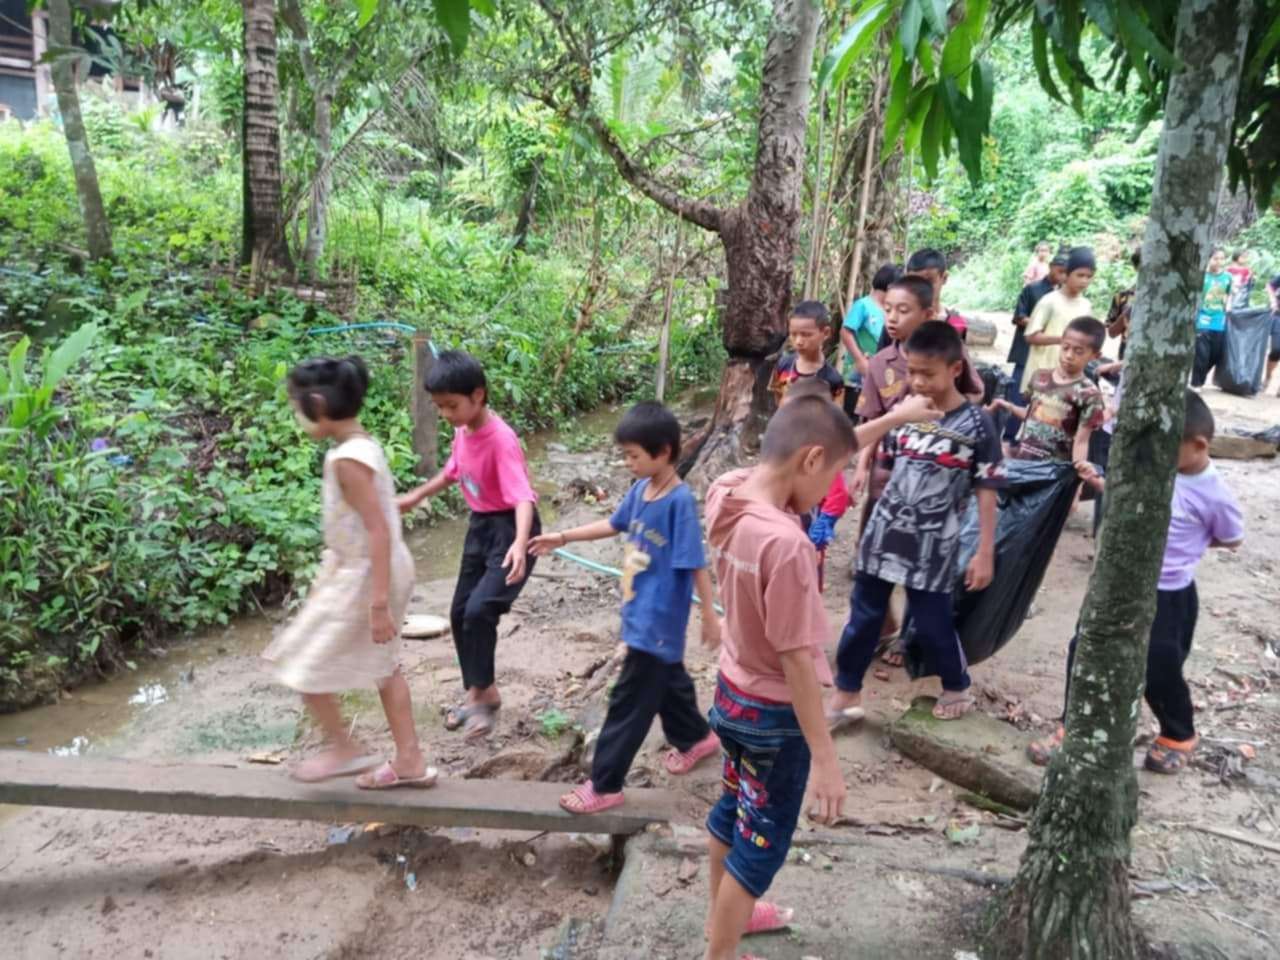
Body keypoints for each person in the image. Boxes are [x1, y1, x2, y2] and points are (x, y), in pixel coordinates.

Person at [700, 389, 940, 960]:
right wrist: (827, 763)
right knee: (758, 847)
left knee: (731, 812)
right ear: (810, 462)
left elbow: (814, 445)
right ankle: (720, 952)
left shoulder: (725, 493)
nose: (833, 492)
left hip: (731, 696)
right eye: (830, 476)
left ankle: (724, 925)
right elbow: (797, 664)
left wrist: (893, 419)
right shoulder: (787, 547)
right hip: (774, 721)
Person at [1029, 390, 1244, 773]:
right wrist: (1099, 481)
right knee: (1084, 648)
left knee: (1160, 665)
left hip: (1170, 594)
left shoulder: (1214, 494)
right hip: (1115, 582)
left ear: (1197, 445)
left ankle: (1178, 732)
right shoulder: (1152, 469)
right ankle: (1073, 725)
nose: (1158, 454)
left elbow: (1231, 537)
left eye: (1167, 447)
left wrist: (1191, 543)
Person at [527, 402, 722, 814]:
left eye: (634, 455)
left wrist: (709, 615)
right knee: (668, 683)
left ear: (664, 452)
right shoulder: (641, 490)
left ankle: (605, 783)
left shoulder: (678, 503)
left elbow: (695, 563)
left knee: (628, 704)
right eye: (625, 454)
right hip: (640, 615)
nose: (627, 463)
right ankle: (696, 738)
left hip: (658, 623)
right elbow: (614, 524)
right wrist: (562, 537)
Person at [263, 357, 434, 790]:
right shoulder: (361, 445)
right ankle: (408, 758)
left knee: (303, 661)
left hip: (367, 573)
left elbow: (376, 529)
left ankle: (345, 748)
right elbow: (375, 518)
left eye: (296, 405)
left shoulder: (347, 460)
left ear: (317, 404)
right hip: (365, 568)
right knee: (383, 665)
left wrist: (378, 603)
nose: (296, 414)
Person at [830, 322, 1005, 727]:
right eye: (912, 371)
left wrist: (984, 551)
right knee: (863, 619)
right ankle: (845, 694)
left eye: (928, 373)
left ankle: (956, 683)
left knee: (931, 620)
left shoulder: (978, 425)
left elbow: (987, 488)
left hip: (934, 544)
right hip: (885, 534)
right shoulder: (904, 412)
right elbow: (885, 467)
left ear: (955, 369)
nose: (918, 381)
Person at [398, 350, 540, 740]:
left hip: (512, 527)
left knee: (480, 611)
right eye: (439, 407)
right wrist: (415, 496)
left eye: (451, 406)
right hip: (481, 526)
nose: (446, 415)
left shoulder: (501, 440)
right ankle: (482, 692)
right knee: (460, 611)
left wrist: (520, 544)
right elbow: (453, 471)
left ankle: (480, 698)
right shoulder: (464, 430)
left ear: (478, 395)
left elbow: (523, 497)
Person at [851, 273, 985, 667]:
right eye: (887, 309)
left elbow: (973, 396)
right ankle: (884, 631)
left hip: (939, 482)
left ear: (927, 313)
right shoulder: (880, 363)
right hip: (886, 481)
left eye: (903, 310)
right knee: (872, 562)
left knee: (924, 574)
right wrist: (861, 467)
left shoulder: (947, 353)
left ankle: (912, 639)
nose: (892, 317)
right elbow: (872, 418)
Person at [991, 316, 1107, 465]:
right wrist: (1010, 407)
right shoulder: (1040, 377)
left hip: (1053, 471)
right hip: (1023, 461)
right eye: (1065, 347)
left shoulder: (1089, 394)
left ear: (1095, 356)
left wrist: (1080, 475)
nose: (1069, 355)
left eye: (1078, 351)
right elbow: (1033, 415)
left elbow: (1082, 441)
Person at [782, 378, 852, 591]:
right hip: (787, 523)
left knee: (809, 580)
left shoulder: (824, 447)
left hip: (811, 521)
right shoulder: (788, 443)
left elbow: (838, 492)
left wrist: (825, 521)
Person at [1006, 253, 1068, 446]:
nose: (1062, 277)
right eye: (1060, 271)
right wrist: (1039, 327)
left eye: (1066, 273)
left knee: (1045, 402)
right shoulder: (1032, 290)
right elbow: (1018, 317)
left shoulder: (1066, 298)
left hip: (1050, 356)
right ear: (1051, 267)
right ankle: (1008, 439)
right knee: (1019, 397)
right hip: (1026, 352)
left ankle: (1032, 444)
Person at [1020, 246, 1096, 394]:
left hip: (1068, 375)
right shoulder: (1049, 301)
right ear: (1066, 274)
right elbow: (1030, 336)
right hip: (1042, 371)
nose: (1084, 281)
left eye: (1089, 276)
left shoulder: (1086, 306)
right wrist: (1063, 340)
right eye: (1080, 275)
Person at [840, 264, 899, 418]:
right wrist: (859, 360)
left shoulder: (890, 311)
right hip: (857, 370)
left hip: (880, 371)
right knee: (851, 412)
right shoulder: (863, 305)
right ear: (891, 287)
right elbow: (846, 332)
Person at [769, 299, 844, 405]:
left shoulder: (833, 380)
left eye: (806, 335)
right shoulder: (782, 365)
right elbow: (777, 401)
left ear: (826, 333)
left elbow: (835, 417)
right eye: (793, 334)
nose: (798, 341)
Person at [1192, 248, 1233, 388]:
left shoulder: (1227, 277)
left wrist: (1229, 307)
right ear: (1208, 259)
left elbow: (1229, 294)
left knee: (1215, 354)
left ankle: (1200, 378)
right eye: (1216, 258)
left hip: (1219, 320)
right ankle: (1196, 383)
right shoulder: (1201, 275)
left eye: (1222, 258)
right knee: (1202, 354)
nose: (1219, 262)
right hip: (1202, 318)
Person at [906, 248, 967, 340]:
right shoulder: (899, 322)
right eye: (914, 281)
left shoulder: (956, 324)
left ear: (944, 278)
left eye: (928, 281)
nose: (921, 288)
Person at [1105, 249, 1140, 360]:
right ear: (1136, 268)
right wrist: (1126, 313)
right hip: (1127, 354)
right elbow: (1111, 333)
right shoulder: (1122, 297)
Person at [1266, 270, 1280, 394]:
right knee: (1276, 349)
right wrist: (1273, 300)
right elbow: (1270, 285)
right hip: (1278, 315)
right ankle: (1268, 378)